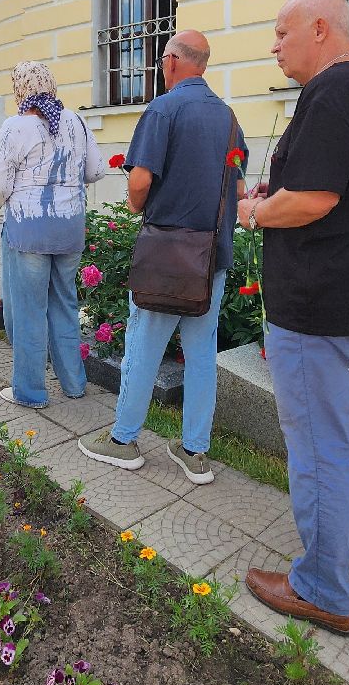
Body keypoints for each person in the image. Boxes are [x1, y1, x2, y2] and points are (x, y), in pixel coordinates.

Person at [236, 0, 349, 637]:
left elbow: (314, 199)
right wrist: (278, 192)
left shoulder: (331, 93)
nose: (274, 46)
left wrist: (254, 211)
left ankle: (323, 589)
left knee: (319, 446)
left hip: (323, 305)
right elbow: (341, 186)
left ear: (319, 29)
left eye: (282, 33)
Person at [78, 30, 246, 486]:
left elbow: (139, 181)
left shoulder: (163, 109)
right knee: (202, 355)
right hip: (211, 258)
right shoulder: (230, 119)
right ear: (202, 65)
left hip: (165, 259)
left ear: (171, 62)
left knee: (142, 349)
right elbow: (238, 187)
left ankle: (123, 441)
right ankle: (195, 452)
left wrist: (136, 206)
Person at [0, 60, 103, 408]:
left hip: (29, 232)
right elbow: (96, 171)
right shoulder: (76, 121)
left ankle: (30, 392)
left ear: (19, 90)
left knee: (29, 312)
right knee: (65, 304)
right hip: (69, 229)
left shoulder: (15, 126)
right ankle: (74, 384)